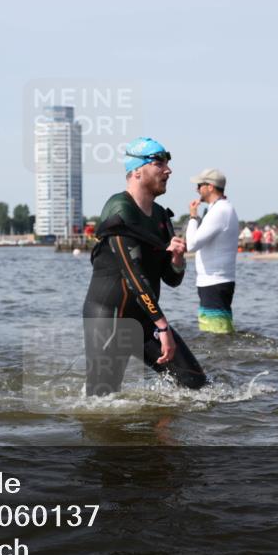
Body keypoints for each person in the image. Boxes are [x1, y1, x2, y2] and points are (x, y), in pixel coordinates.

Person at [82, 137, 206, 396]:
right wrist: (162, 327)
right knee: (101, 404)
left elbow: (171, 279)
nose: (168, 170)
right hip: (110, 317)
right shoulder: (119, 208)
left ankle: (163, 434)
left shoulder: (161, 216)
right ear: (137, 171)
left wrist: (177, 259)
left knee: (195, 384)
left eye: (168, 164)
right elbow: (133, 275)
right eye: (159, 163)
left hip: (145, 316)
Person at [185, 168, 239, 333]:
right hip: (214, 281)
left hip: (214, 281)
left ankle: (225, 359)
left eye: (200, 185)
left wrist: (193, 216)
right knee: (214, 331)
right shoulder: (220, 208)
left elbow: (192, 244)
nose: (196, 189)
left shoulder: (220, 210)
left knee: (217, 335)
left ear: (210, 187)